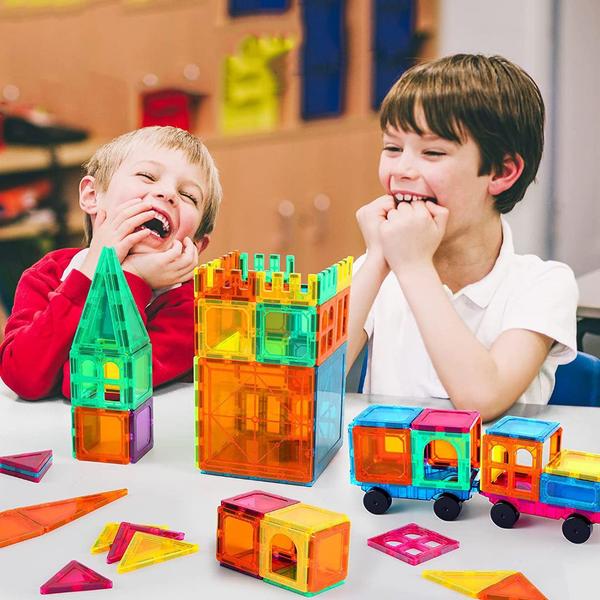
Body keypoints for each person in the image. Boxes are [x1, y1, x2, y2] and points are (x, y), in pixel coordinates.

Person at [348, 54, 577, 421]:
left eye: (433, 152)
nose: (402, 170)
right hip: (385, 476)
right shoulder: (379, 271)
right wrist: (377, 258)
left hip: (493, 476)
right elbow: (310, 384)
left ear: (502, 172)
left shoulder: (544, 285)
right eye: (392, 148)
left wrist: (412, 264)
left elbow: (480, 400)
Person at [0, 125, 222, 400]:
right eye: (147, 176)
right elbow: (23, 376)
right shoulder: (48, 274)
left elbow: (91, 383)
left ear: (198, 243)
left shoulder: (192, 310)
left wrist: (131, 278)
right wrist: (94, 271)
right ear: (92, 196)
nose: (168, 194)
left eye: (189, 196)